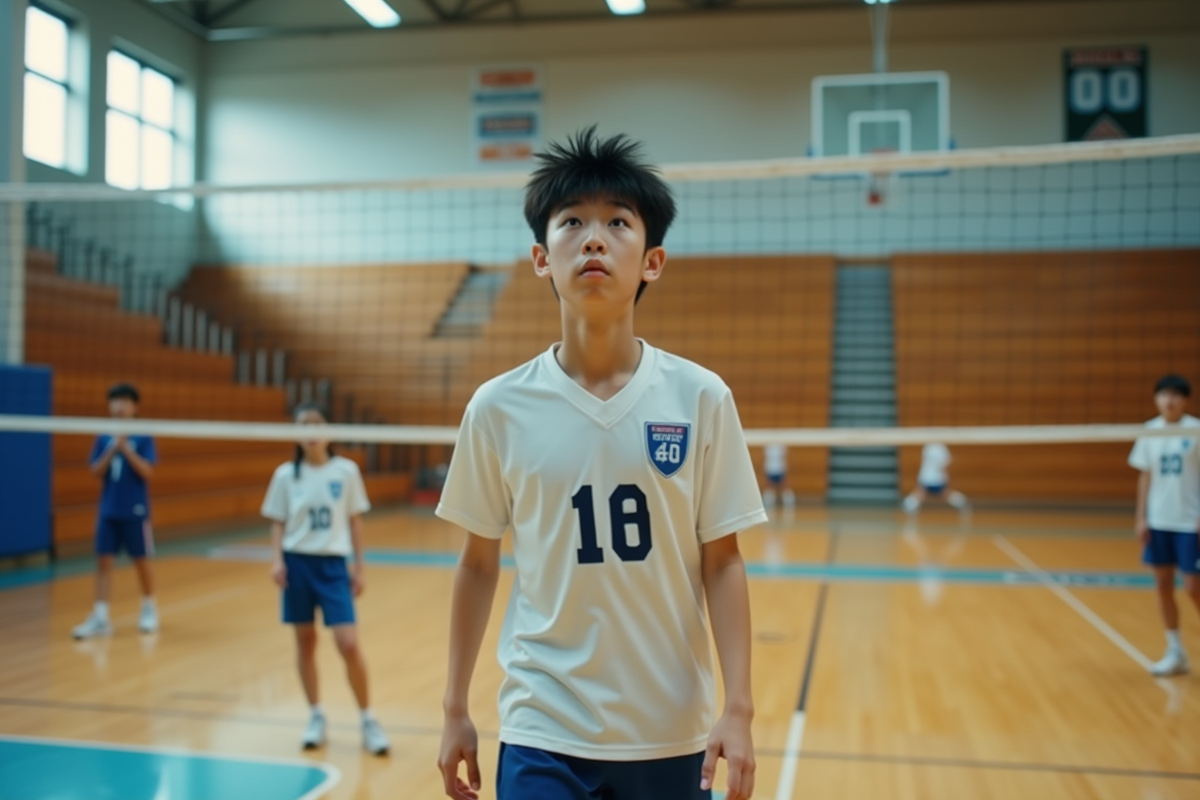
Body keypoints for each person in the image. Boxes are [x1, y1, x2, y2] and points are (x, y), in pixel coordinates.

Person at [436, 128, 766, 800]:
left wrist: (739, 706)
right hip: (542, 728)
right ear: (540, 256)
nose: (593, 238)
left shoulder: (701, 397)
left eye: (618, 222)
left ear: (652, 260)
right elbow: (477, 563)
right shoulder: (497, 407)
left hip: (669, 731)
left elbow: (724, 559)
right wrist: (453, 709)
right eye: (572, 222)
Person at [261, 404, 391, 755]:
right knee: (305, 643)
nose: (311, 430)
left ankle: (368, 719)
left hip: (333, 567)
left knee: (348, 644)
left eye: (317, 423)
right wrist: (276, 560)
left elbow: (355, 522)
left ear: (328, 431)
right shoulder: (286, 475)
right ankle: (316, 715)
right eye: (303, 425)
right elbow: (276, 520)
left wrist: (359, 568)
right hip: (297, 564)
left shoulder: (345, 471)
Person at [72, 383, 158, 639]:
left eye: (124, 401)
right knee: (103, 561)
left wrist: (126, 449)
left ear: (135, 406)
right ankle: (100, 617)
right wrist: (112, 448)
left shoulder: (143, 436)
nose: (119, 406)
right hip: (108, 511)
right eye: (115, 401)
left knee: (141, 561)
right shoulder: (102, 436)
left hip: (136, 511)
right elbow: (95, 472)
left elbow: (148, 471)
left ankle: (149, 608)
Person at [1129, 374, 1200, 677]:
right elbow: (1144, 476)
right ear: (1156, 398)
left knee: (1193, 586)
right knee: (1162, 585)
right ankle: (1175, 651)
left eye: (1175, 395)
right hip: (1159, 520)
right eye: (1163, 394)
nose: (1169, 400)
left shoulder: (1196, 430)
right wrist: (1141, 517)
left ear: (1185, 399)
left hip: (1190, 522)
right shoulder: (1149, 431)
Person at [902, 442, 969, 515]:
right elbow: (946, 462)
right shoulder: (931, 447)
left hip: (933, 478)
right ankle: (962, 502)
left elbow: (944, 463)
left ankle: (962, 503)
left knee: (939, 494)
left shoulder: (933, 447)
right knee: (922, 494)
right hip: (930, 478)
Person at [762, 443, 795, 509]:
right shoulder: (768, 445)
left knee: (784, 486)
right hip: (770, 469)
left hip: (780, 469)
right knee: (770, 487)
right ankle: (768, 504)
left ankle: (789, 504)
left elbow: (785, 456)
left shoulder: (781, 444)